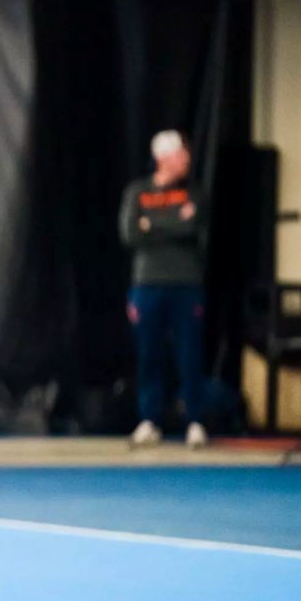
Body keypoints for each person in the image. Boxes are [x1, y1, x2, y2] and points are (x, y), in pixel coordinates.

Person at [119, 130, 209, 449]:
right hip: (147, 285)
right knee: (149, 354)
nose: (186, 160)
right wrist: (173, 224)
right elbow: (131, 233)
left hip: (186, 284)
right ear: (164, 158)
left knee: (189, 353)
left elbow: (192, 227)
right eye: (181, 155)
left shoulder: (193, 194)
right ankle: (150, 420)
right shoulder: (138, 192)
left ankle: (195, 420)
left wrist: (153, 224)